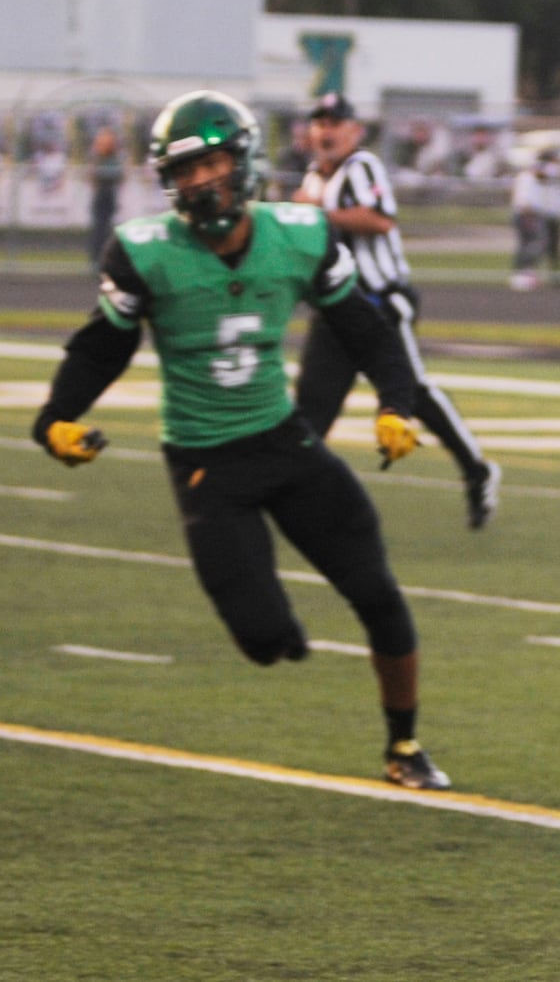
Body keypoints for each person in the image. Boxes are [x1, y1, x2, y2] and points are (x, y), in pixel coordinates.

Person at [29, 90, 450, 790]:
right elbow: (104, 346)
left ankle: (404, 746)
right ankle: (276, 635)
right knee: (264, 640)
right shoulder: (145, 249)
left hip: (284, 443)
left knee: (378, 594)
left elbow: (363, 327)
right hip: (205, 463)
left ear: (244, 159)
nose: (200, 181)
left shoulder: (301, 233)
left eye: (213, 162)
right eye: (185, 170)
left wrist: (396, 404)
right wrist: (54, 419)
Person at [291, 92, 500, 530]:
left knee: (412, 391)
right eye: (319, 121)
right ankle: (297, 497)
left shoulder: (361, 166)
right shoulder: (311, 177)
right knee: (311, 408)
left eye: (335, 121)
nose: (326, 129)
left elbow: (381, 219)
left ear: (355, 130)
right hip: (333, 310)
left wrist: (319, 213)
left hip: (379, 302)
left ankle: (476, 469)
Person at [510, 148, 560, 290]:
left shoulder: (550, 181)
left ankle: (541, 275)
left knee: (549, 246)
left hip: (545, 215)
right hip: (528, 214)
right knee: (535, 243)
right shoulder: (531, 175)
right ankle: (522, 273)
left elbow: (557, 195)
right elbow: (538, 178)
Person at [86, 124, 123, 268]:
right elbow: (93, 176)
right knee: (99, 229)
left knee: (107, 229)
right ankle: (95, 259)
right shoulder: (97, 157)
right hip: (102, 193)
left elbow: (120, 175)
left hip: (109, 193)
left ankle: (105, 259)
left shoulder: (115, 157)